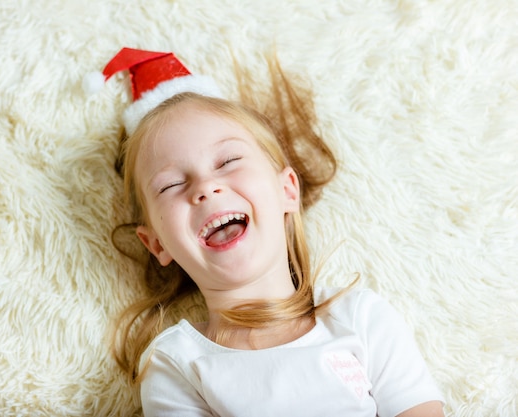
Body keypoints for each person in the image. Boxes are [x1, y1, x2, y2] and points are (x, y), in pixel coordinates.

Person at [102, 47, 444, 416]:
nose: (205, 187)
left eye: (228, 161)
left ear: (286, 190)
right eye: (170, 185)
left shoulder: (358, 318)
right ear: (156, 244)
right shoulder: (176, 363)